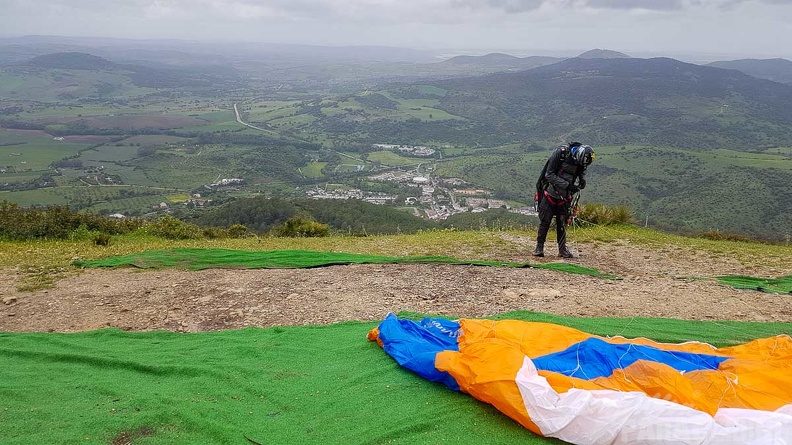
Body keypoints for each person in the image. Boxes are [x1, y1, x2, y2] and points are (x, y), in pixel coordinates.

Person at [533, 142, 595, 258]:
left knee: (562, 222)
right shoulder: (561, 153)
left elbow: (581, 171)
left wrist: (582, 180)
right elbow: (549, 174)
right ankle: (539, 248)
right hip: (550, 193)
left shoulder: (581, 162)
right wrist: (568, 185)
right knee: (545, 222)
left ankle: (562, 250)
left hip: (565, 197)